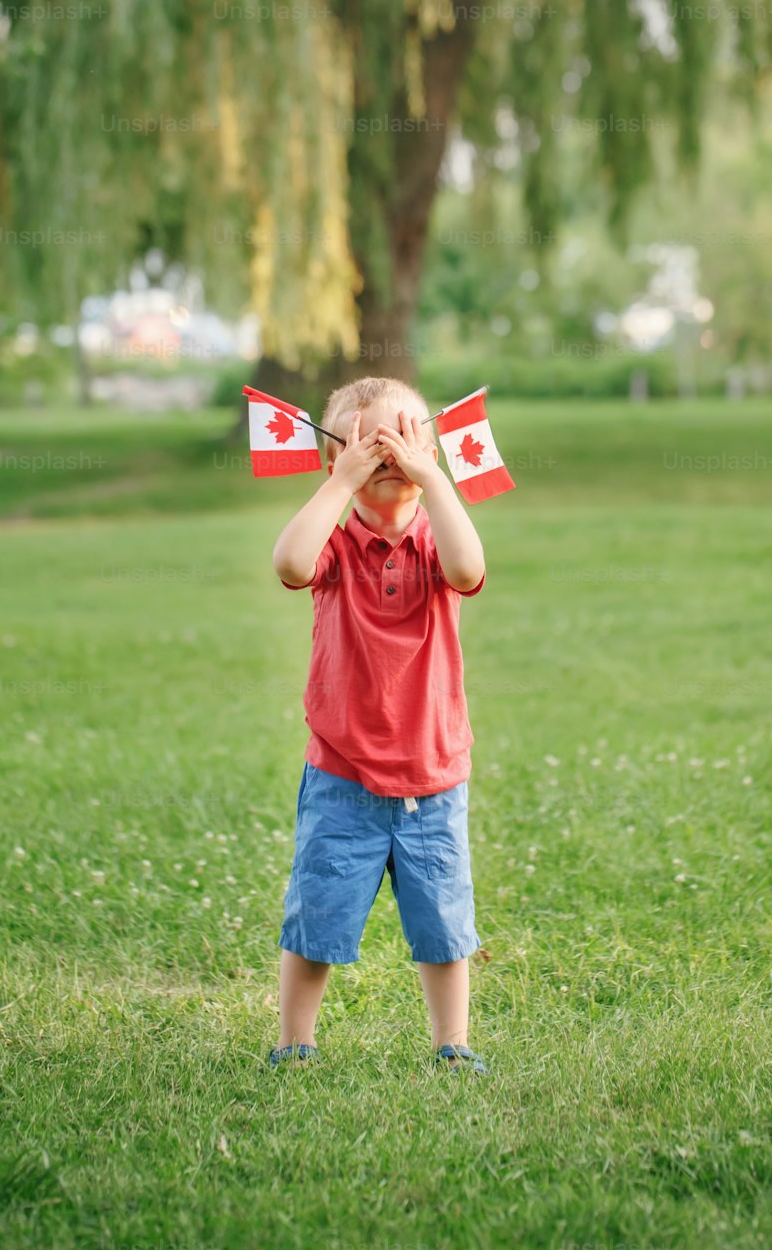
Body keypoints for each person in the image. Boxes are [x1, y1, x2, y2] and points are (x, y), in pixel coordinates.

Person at [270, 376, 490, 1075]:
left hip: (433, 776)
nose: (386, 455)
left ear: (429, 449)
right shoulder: (334, 548)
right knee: (317, 920)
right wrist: (339, 485)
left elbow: (468, 566)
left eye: (403, 437)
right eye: (368, 443)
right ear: (337, 458)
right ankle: (295, 1043)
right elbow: (289, 563)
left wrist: (435, 479)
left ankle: (451, 1043)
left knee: (444, 927)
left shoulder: (434, 543)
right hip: (342, 775)